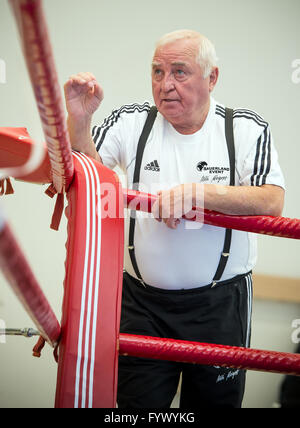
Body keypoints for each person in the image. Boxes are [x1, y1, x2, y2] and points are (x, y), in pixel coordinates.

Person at [64, 30, 285, 408]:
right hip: (142, 304)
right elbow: (87, 174)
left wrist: (197, 193)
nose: (165, 85)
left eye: (179, 72)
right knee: (134, 409)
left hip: (220, 306)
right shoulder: (132, 121)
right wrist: (80, 121)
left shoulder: (245, 128)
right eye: (157, 72)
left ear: (212, 78)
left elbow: (272, 200)